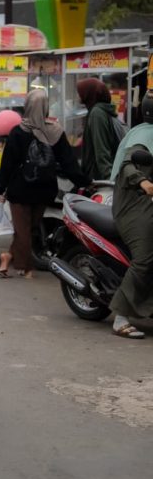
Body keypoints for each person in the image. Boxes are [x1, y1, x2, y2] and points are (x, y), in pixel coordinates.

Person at [0, 89, 89, 278]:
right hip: (40, 189)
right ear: (46, 108)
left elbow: (8, 164)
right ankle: (16, 262)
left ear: (27, 106)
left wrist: (0, 188)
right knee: (27, 230)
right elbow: (68, 162)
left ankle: (17, 262)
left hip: (24, 190)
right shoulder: (54, 131)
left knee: (25, 230)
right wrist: (84, 181)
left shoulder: (19, 132)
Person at [108, 141, 153, 338]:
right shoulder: (140, 142)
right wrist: (142, 181)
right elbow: (127, 165)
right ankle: (121, 317)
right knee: (144, 260)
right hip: (133, 209)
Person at [77, 77, 122, 182]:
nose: (79, 95)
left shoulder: (97, 113)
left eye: (81, 92)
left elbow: (101, 150)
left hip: (98, 178)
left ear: (90, 93)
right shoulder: (101, 110)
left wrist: (109, 181)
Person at [111, 92, 153, 179]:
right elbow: (127, 164)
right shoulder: (144, 135)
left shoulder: (140, 130)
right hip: (136, 190)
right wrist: (141, 181)